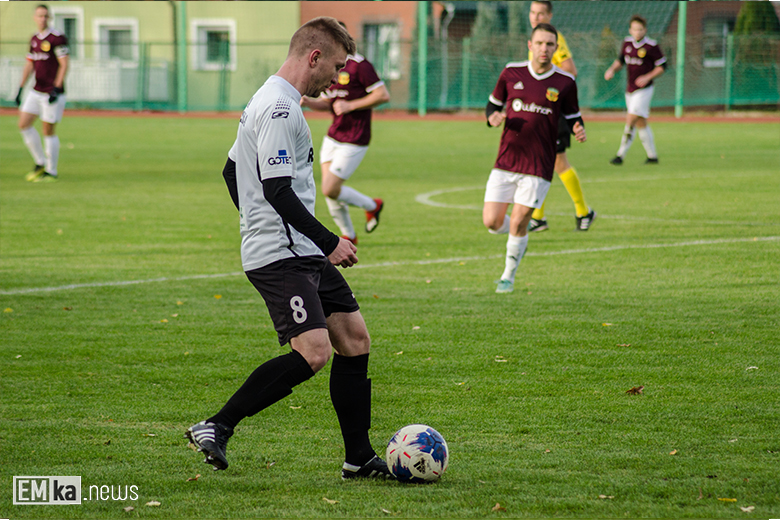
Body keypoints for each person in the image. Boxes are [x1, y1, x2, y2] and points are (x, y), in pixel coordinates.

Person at [186, 17, 393, 480]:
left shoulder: (270, 98)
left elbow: (230, 170)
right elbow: (278, 190)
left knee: (354, 340)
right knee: (314, 351)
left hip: (297, 247)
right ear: (313, 57)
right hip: (282, 253)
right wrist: (328, 241)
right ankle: (216, 425)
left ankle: (358, 458)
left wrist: (256, 221)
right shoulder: (280, 108)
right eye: (336, 67)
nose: (337, 78)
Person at [483, 23, 586, 294]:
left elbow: (574, 115)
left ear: (556, 48)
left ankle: (508, 276)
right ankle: (521, 235)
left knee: (517, 221)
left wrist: (579, 128)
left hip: (539, 164)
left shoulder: (565, 82)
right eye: (539, 43)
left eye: (550, 44)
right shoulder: (511, 72)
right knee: (492, 222)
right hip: (506, 159)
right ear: (530, 45)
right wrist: (492, 117)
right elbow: (493, 104)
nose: (544, 48)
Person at [301, 23, 389, 245]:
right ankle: (349, 234)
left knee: (329, 188)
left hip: (355, 137)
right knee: (330, 189)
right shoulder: (330, 65)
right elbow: (329, 102)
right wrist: (309, 102)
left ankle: (372, 205)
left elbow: (382, 95)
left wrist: (352, 106)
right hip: (333, 136)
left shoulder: (360, 65)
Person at [526, 1, 595, 233]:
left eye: (541, 13)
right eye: (533, 13)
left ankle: (583, 211)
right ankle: (538, 217)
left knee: (557, 162)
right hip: (539, 112)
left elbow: (570, 71)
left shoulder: (555, 40)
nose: (536, 17)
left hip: (554, 113)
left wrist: (551, 94)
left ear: (550, 15)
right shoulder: (536, 40)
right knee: (539, 162)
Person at [604, 14, 667, 165]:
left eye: (640, 29)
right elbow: (620, 60)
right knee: (640, 123)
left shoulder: (651, 46)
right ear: (630, 30)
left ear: (645, 30)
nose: (637, 32)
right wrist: (612, 70)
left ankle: (620, 155)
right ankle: (652, 156)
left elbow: (662, 66)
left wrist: (648, 77)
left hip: (644, 90)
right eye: (634, 29)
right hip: (630, 89)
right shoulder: (626, 43)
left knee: (630, 119)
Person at [16, 4, 69, 183]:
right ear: (34, 17)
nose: (43, 19)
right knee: (23, 124)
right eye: (40, 16)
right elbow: (30, 63)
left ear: (50, 18)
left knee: (48, 130)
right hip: (36, 90)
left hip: (51, 93)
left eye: (46, 16)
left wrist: (57, 87)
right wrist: (20, 88)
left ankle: (51, 171)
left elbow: (64, 63)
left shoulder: (57, 38)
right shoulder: (34, 39)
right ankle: (40, 162)